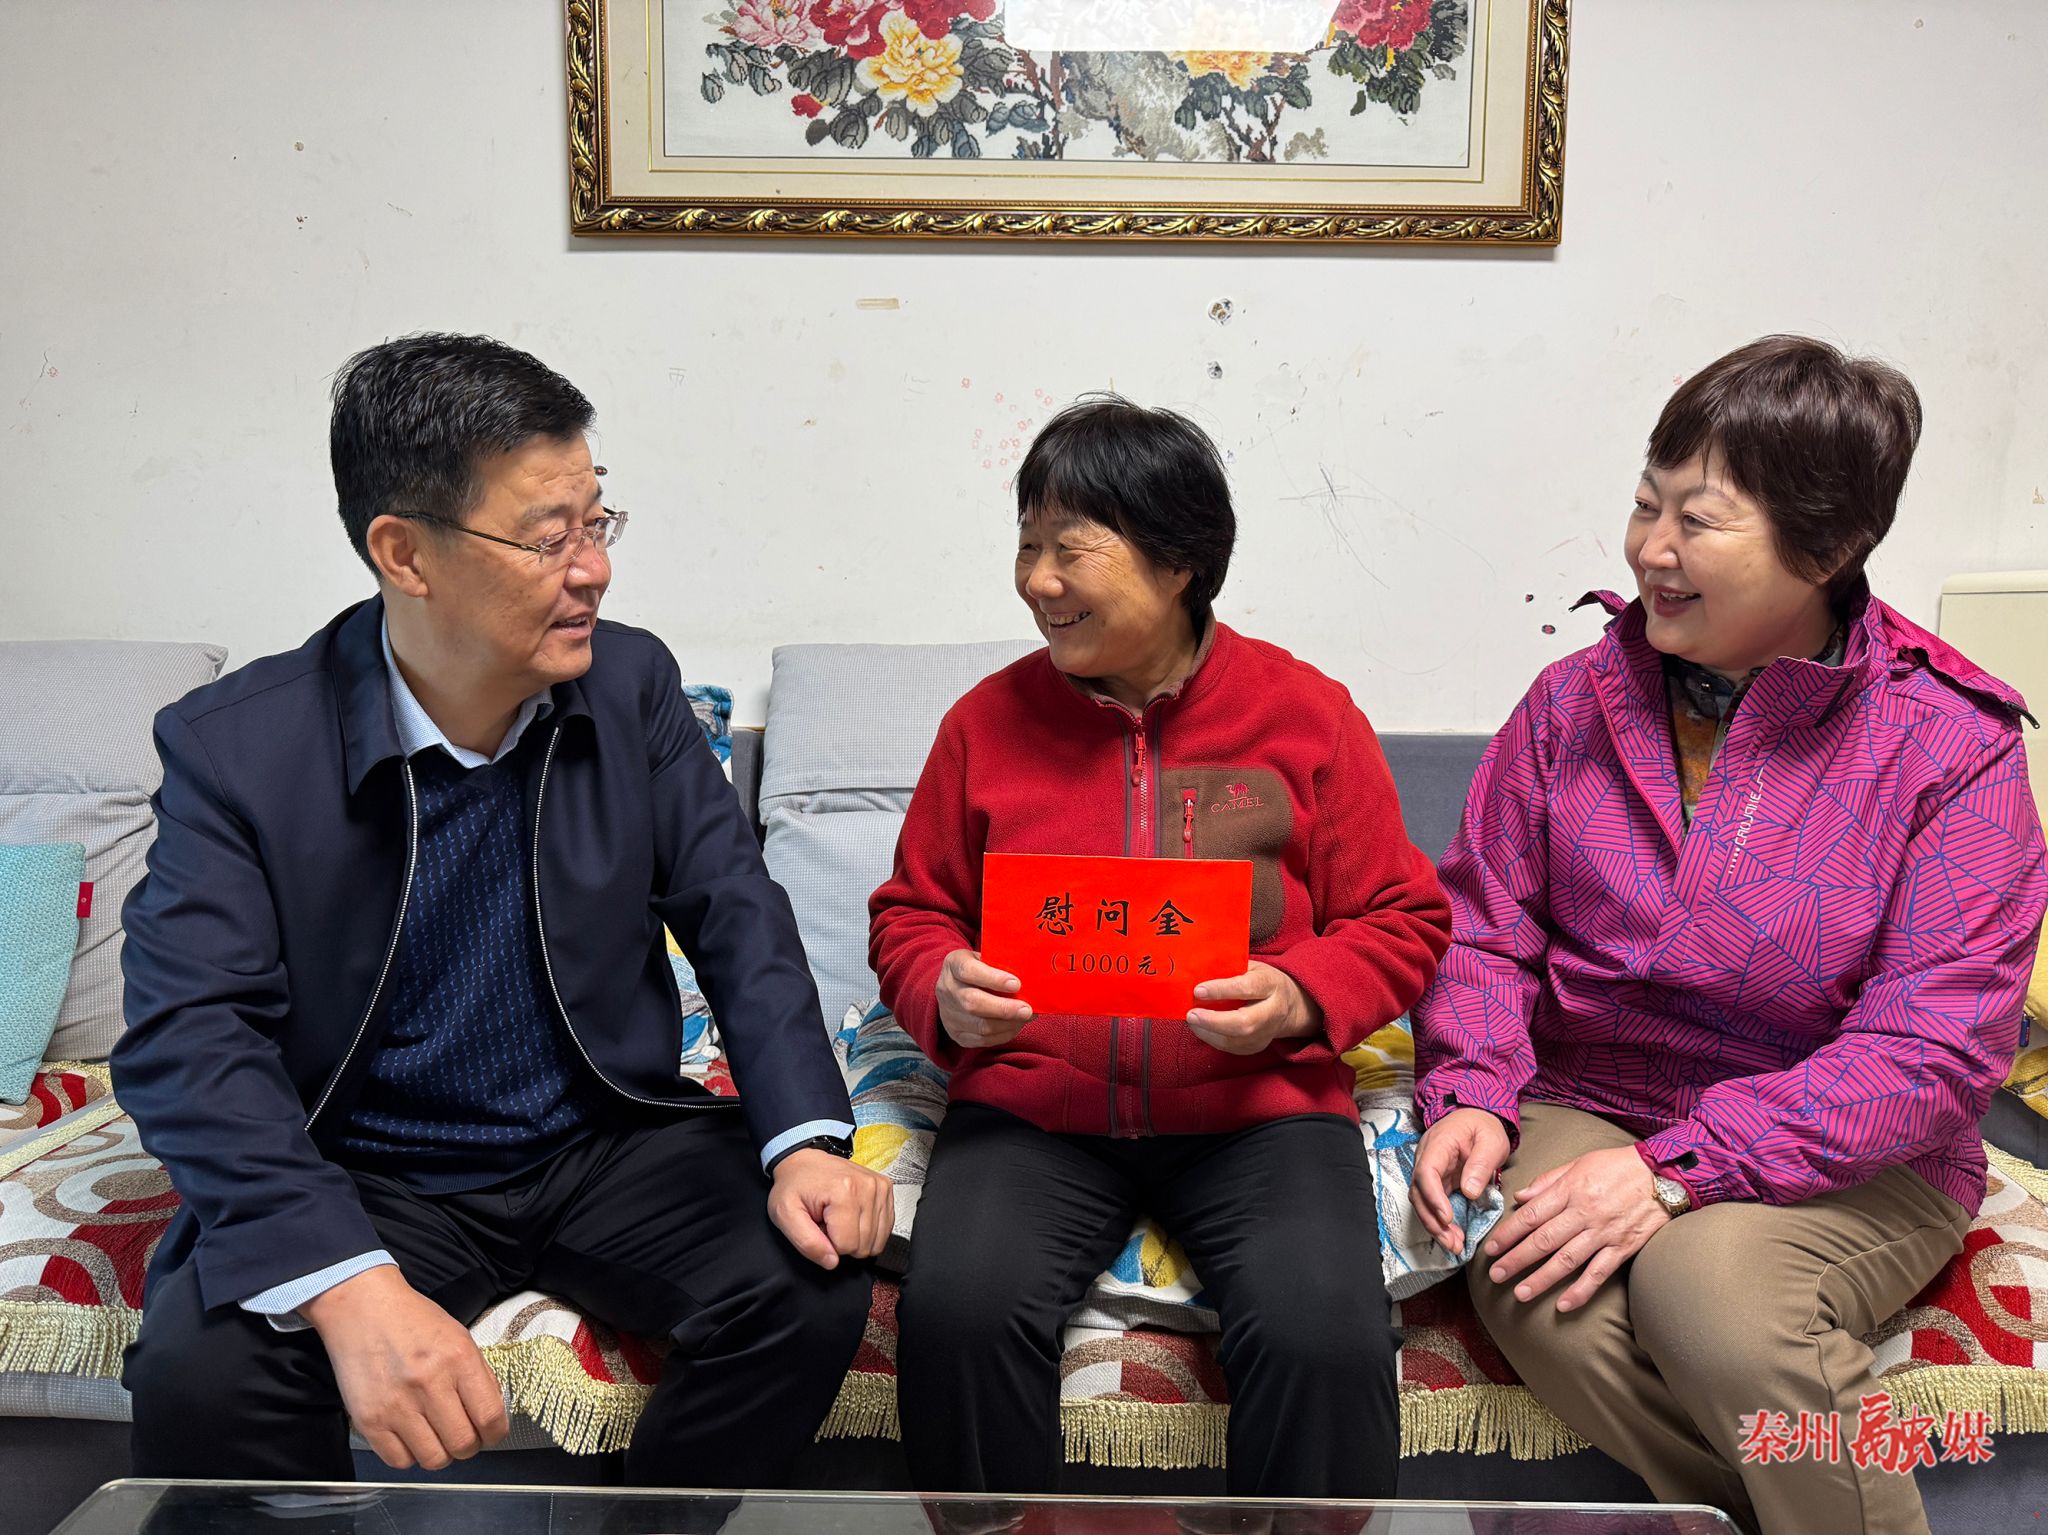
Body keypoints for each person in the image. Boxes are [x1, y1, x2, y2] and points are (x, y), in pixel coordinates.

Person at [115, 333, 891, 1486]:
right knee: (204, 1374)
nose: (594, 569)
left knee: (809, 1284)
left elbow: (734, 908)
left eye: (597, 520)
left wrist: (804, 1140)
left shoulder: (628, 684)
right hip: (364, 1162)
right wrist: (349, 1281)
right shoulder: (238, 747)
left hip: (600, 1136)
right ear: (404, 553)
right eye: (547, 536)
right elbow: (191, 1034)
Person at [1410, 335, 2048, 1535]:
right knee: (1529, 1264)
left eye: (1696, 520)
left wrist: (1673, 1172)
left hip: (1853, 1138)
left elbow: (1929, 1050)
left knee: (1710, 1295)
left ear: (1826, 547)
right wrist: (1473, 1088)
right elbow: (1483, 932)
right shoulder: (1569, 704)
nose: (1649, 548)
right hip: (1589, 1091)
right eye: (1644, 503)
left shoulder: (1948, 744)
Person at [869, 395, 1452, 1496]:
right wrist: (937, 984)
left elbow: (1402, 915)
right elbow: (910, 911)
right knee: (957, 1315)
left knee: (1322, 1337)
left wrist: (1299, 996)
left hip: (1256, 1111)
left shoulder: (1305, 714)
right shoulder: (982, 724)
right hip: (1035, 1107)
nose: (1038, 581)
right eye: (1027, 546)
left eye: (1070, 549)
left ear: (1180, 561)